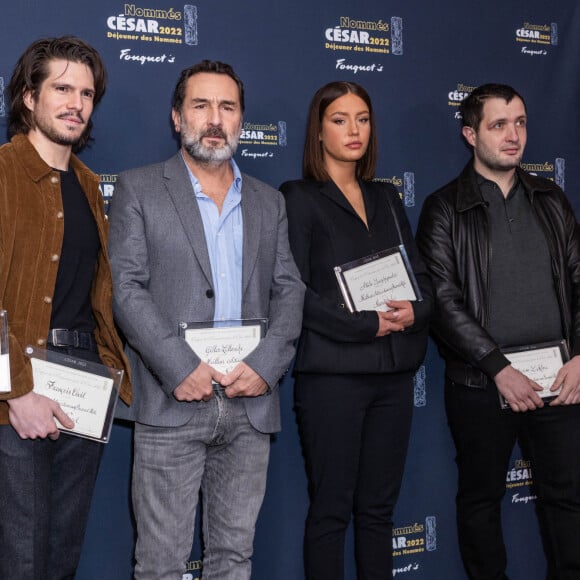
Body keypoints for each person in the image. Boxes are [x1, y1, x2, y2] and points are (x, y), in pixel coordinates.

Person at [108, 60, 304, 579]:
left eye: (227, 106)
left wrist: (265, 366)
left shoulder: (270, 202)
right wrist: (179, 367)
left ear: (240, 119)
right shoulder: (139, 188)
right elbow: (125, 289)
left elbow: (289, 290)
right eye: (201, 105)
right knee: (160, 564)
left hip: (249, 404)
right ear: (177, 117)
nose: (214, 118)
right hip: (172, 401)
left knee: (234, 559)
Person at [416, 83, 580, 579]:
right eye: (498, 125)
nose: (514, 136)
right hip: (482, 387)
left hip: (560, 381)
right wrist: (498, 368)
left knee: (568, 500)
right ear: (470, 134)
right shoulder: (445, 207)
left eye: (521, 123)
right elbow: (442, 302)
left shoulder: (552, 199)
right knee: (481, 502)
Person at [280, 81, 432, 580]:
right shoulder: (298, 198)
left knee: (378, 515)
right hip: (333, 378)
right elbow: (295, 293)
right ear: (318, 131)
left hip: (393, 377)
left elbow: (422, 280)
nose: (353, 130)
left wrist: (415, 310)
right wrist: (365, 324)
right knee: (331, 512)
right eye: (340, 119)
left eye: (362, 118)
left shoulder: (387, 196)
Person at [0, 36, 132, 579]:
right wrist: (15, 390)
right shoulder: (4, 172)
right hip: (21, 385)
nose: (76, 103)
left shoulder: (87, 183)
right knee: (22, 559)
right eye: (61, 88)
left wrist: (107, 369)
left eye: (86, 92)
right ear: (29, 97)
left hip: (85, 383)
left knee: (61, 558)